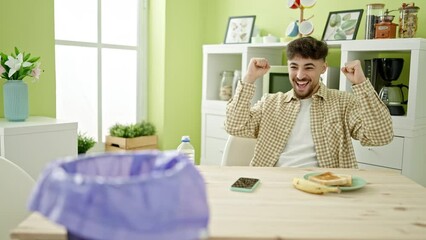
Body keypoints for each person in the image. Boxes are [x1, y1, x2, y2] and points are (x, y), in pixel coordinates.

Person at [224, 36, 393, 168]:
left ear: (323, 68)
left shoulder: (343, 103)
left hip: (327, 186)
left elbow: (380, 137)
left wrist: (361, 84)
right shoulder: (270, 102)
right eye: (294, 66)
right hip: (274, 183)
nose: (299, 75)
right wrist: (249, 79)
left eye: (309, 67)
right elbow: (234, 126)